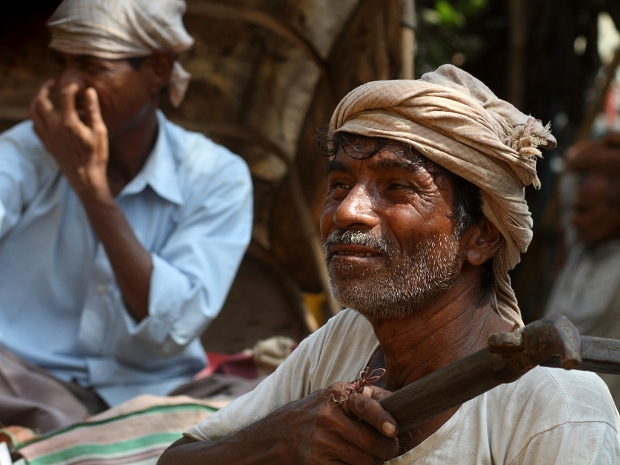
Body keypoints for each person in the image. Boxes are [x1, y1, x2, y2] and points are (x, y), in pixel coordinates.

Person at [158, 65, 620, 465]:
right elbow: (177, 459)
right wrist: (280, 440)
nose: (346, 211)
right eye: (340, 185)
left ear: (482, 236)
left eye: (398, 187)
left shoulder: (557, 409)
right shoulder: (345, 340)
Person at [0, 0, 253, 432]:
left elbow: (173, 329)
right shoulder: (29, 151)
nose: (67, 85)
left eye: (91, 66)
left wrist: (90, 189)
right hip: (21, 381)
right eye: (62, 64)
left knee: (264, 406)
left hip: (151, 391)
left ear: (157, 69)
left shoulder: (217, 176)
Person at [544, 133, 620, 406]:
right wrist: (610, 145)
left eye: (585, 210)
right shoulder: (580, 245)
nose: (573, 220)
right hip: (548, 403)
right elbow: (574, 161)